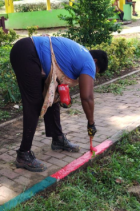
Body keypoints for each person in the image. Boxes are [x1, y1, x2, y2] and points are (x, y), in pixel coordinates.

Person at [10, 36, 108, 172]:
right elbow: (87, 97)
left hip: (30, 52)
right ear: (95, 62)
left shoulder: (80, 55)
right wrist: (91, 123)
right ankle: (23, 154)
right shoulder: (89, 62)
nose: (92, 75)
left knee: (52, 98)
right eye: (95, 72)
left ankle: (58, 139)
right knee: (34, 103)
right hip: (27, 53)